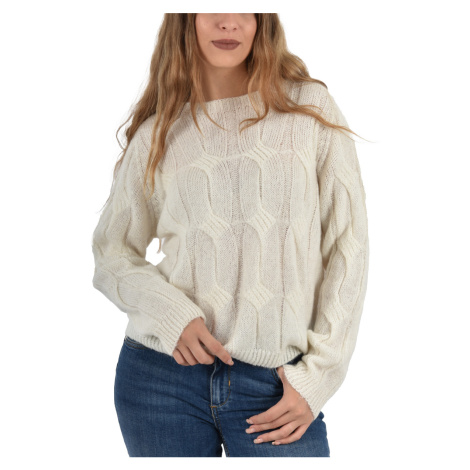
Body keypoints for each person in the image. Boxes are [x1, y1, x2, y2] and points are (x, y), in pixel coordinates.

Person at [91, 13, 369, 457]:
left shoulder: (307, 109)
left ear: (261, 20)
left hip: (275, 386)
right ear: (186, 18)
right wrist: (171, 313)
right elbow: (112, 252)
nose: (228, 22)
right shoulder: (158, 133)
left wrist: (319, 376)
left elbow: (348, 247)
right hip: (160, 380)